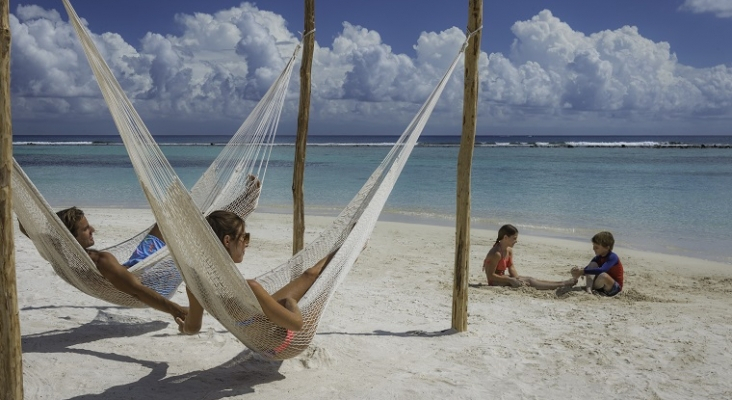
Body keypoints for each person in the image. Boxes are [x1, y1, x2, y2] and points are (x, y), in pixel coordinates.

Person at [176, 210, 336, 335]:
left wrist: (184, 328)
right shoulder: (250, 288)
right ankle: (351, 245)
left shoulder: (196, 287)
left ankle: (349, 246)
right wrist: (290, 302)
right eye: (244, 238)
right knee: (318, 278)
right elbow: (297, 324)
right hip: (285, 340)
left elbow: (193, 328)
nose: (247, 244)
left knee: (312, 274)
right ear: (227, 241)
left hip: (261, 334)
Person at [21, 207, 188, 322]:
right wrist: (177, 310)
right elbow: (139, 291)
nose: (92, 229)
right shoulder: (102, 260)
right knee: (194, 234)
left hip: (136, 265)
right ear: (71, 238)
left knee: (167, 220)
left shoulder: (57, 251)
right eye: (85, 229)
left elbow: (27, 229)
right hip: (153, 281)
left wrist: (17, 204)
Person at [483, 224, 577, 290]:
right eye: (514, 238)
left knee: (530, 279)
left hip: (503, 278)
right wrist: (510, 280)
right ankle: (563, 284)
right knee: (530, 281)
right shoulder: (496, 253)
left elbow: (511, 267)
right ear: (505, 238)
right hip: (495, 282)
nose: (516, 241)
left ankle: (561, 283)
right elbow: (490, 275)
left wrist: (517, 278)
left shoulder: (509, 250)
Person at [571, 231, 624, 296]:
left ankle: (590, 287)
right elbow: (588, 270)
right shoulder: (598, 257)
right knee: (592, 264)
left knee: (603, 275)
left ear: (607, 247)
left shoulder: (613, 257)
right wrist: (578, 271)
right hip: (601, 286)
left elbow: (602, 270)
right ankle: (589, 289)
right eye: (593, 246)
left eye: (596, 247)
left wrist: (583, 271)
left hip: (614, 287)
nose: (593, 249)